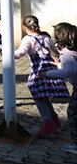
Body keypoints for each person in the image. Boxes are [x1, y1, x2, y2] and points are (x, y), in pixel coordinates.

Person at [14, 15, 69, 137]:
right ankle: (55, 120)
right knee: (45, 97)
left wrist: (7, 52)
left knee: (38, 97)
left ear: (24, 27)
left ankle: (48, 124)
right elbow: (56, 49)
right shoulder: (46, 37)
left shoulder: (27, 39)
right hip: (50, 69)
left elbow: (20, 53)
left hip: (39, 71)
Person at [40, 23, 77, 154]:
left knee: (73, 114)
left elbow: (69, 72)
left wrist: (47, 74)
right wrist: (60, 64)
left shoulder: (67, 55)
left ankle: (75, 145)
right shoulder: (72, 51)